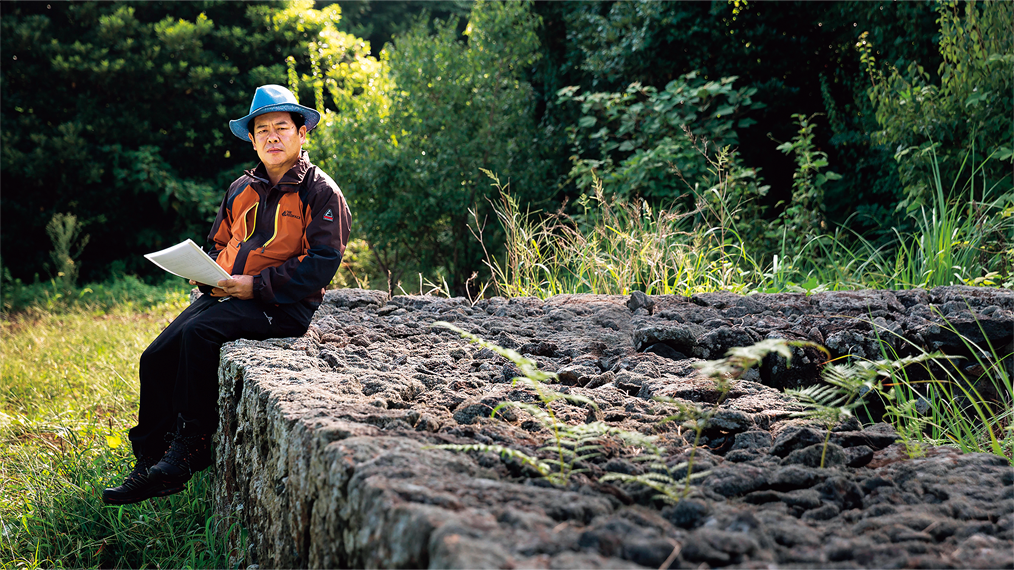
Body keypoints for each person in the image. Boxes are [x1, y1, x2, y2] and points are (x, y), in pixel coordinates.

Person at [102, 85, 351, 505]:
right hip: (228, 293)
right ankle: (149, 460)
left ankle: (189, 450)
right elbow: (217, 242)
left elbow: (322, 262)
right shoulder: (240, 188)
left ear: (301, 133)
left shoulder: (321, 192)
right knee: (155, 355)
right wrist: (207, 274)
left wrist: (255, 286)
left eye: (281, 129)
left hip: (284, 306)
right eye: (263, 131)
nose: (272, 137)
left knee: (199, 334)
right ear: (252, 140)